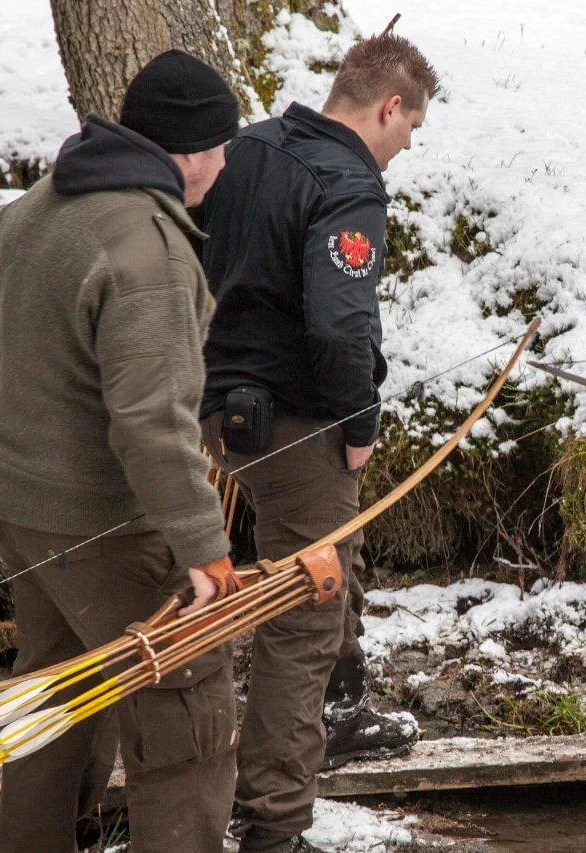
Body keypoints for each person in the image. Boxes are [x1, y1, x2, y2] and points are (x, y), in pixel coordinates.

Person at [0, 50, 242, 852]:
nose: (225, 167)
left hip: (23, 513)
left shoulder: (32, 209)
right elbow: (153, 421)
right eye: (221, 149)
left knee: (54, 702)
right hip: (107, 531)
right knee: (184, 706)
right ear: (191, 151)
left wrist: (34, 446)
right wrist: (205, 548)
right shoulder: (147, 249)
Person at [196, 32, 437, 853]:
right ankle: (273, 822)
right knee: (303, 611)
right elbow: (339, 326)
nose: (408, 146)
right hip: (296, 421)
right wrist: (358, 421)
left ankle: (344, 706)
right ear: (389, 106)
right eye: (412, 128)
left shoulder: (249, 147)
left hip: (219, 407)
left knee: (335, 558)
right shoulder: (347, 183)